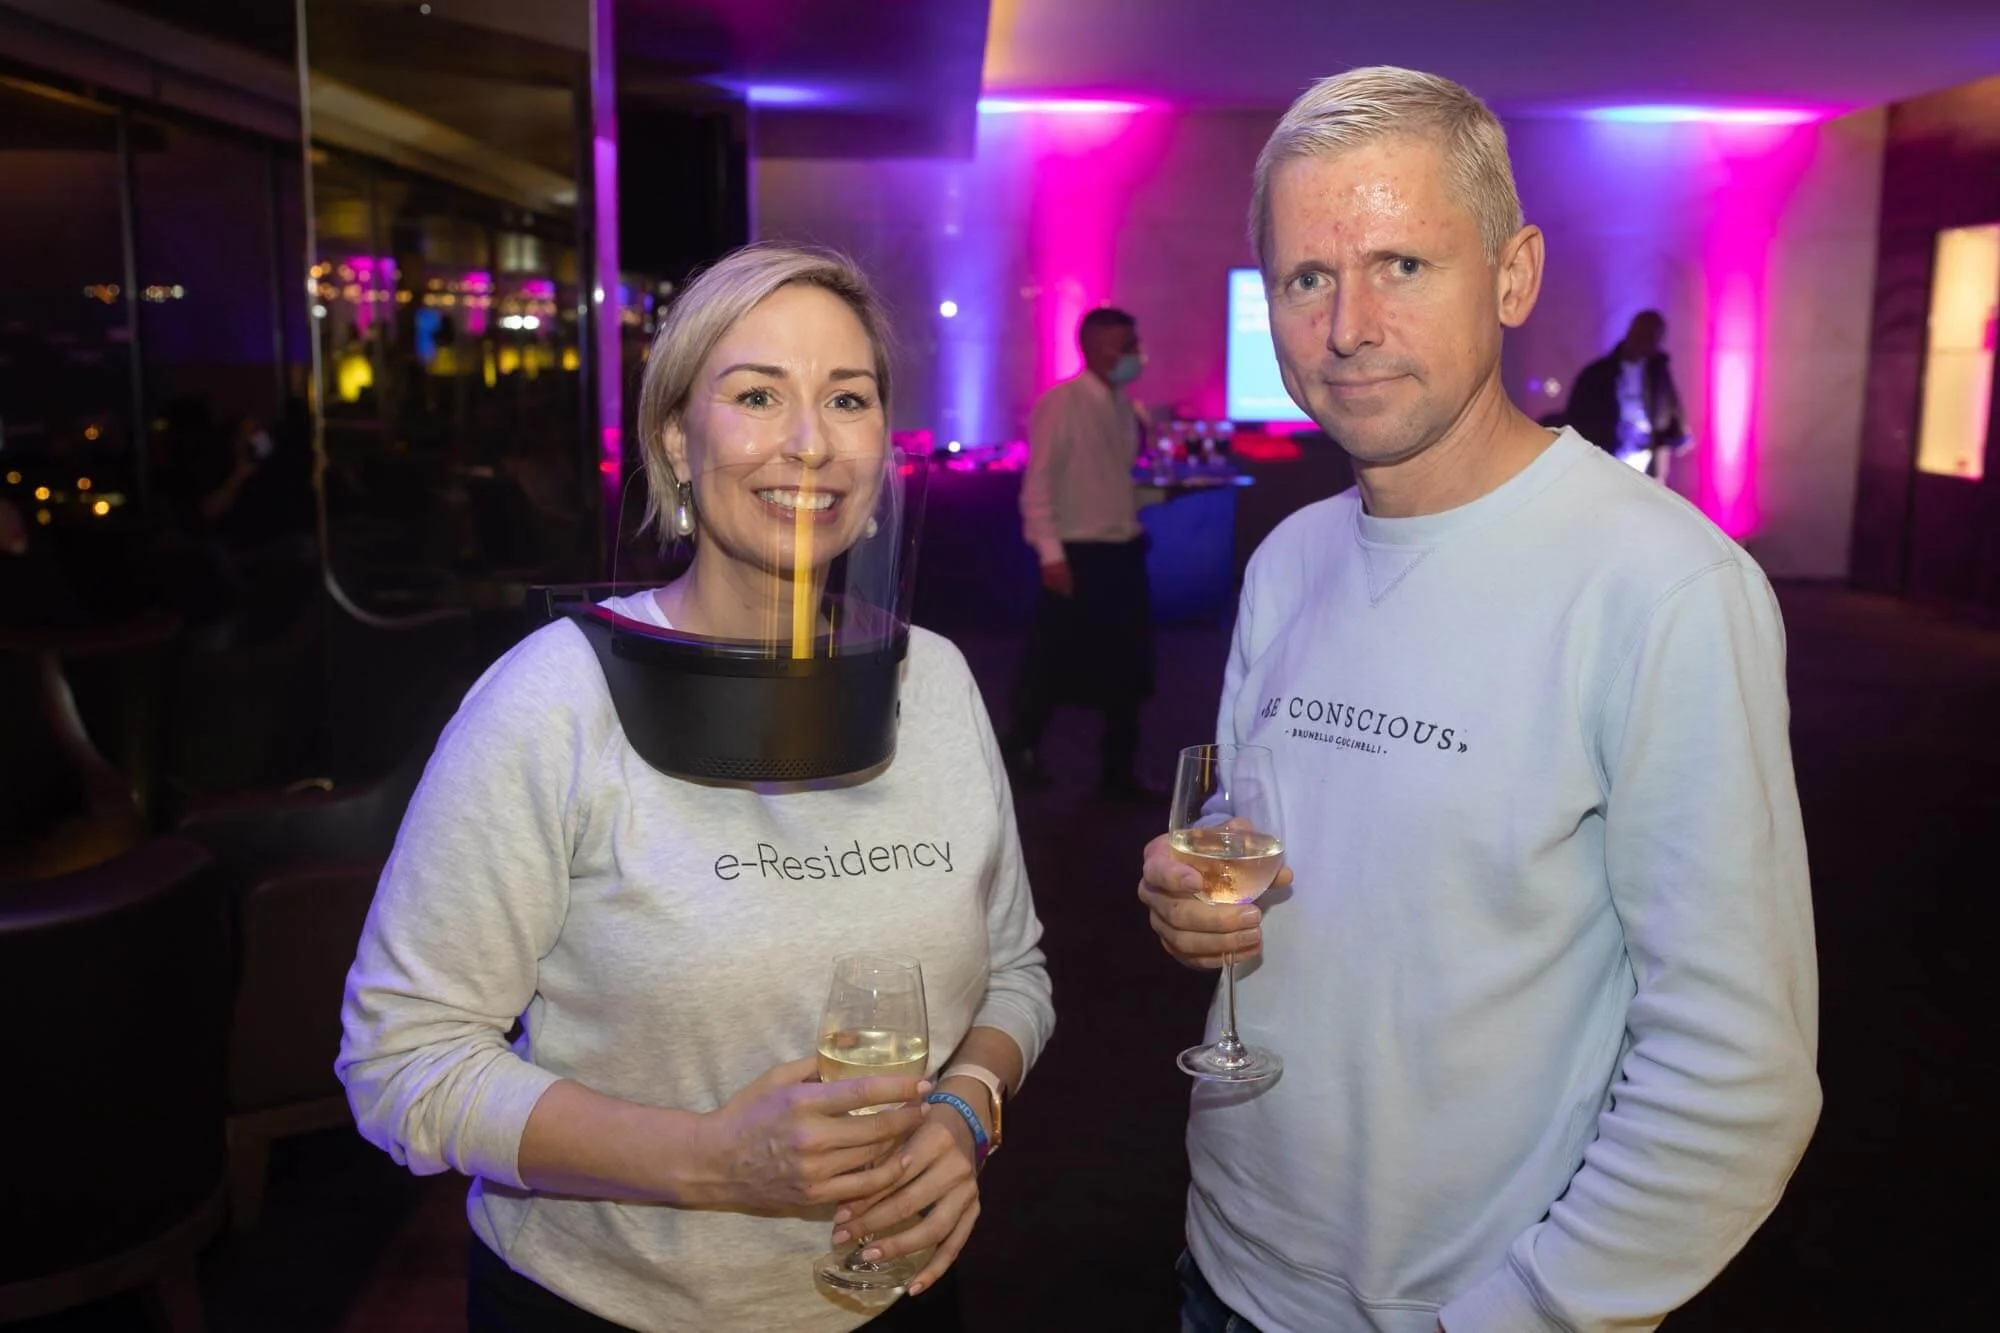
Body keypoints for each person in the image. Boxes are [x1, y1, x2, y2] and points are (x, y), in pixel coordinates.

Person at [1136, 67, 1819, 1333]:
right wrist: (1196, 894)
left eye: (1401, 263)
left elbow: (1735, 1070)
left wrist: (1524, 1315)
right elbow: (1270, 825)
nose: (1346, 326)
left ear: (1511, 277)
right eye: (1304, 278)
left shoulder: (1662, 587)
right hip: (1223, 1263)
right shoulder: (1287, 562)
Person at [339, 244, 1054, 1333]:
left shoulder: (938, 680)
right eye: (757, 394)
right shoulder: (552, 700)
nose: (808, 441)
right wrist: (712, 1164)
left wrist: (963, 1113)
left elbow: (1016, 974)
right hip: (607, 1308)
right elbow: (403, 1062)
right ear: (677, 438)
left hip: (898, 1294)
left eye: (846, 398)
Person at [1003, 306, 1157, 799]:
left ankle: (1118, 773)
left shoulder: (1123, 406)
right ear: (1091, 348)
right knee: (1051, 661)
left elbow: (1113, 480)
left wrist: (1161, 497)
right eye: (1123, 345)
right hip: (1079, 554)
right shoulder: (1062, 404)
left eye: (1133, 342)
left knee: (1129, 669)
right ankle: (1019, 751)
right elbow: (1038, 484)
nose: (1134, 354)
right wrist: (1051, 554)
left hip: (1120, 550)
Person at [1562, 310, 1689, 484]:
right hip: (1609, 462)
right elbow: (1579, 417)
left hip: (1648, 465)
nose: (1648, 342)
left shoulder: (1658, 375)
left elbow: (1672, 407)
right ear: (1632, 332)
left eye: (1654, 338)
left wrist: (1676, 435)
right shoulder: (1598, 375)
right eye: (1644, 335)